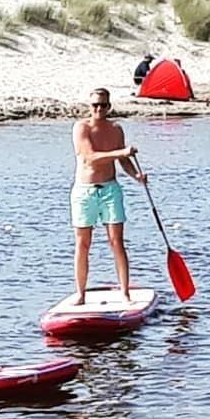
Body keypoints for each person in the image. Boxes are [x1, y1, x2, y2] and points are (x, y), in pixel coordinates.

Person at [71, 87, 147, 305]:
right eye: (95, 104)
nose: (99, 109)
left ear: (109, 107)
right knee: (83, 243)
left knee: (117, 242)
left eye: (103, 105)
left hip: (110, 189)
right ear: (89, 106)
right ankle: (81, 294)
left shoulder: (116, 129)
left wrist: (136, 175)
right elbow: (90, 157)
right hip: (84, 191)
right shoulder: (80, 128)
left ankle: (125, 292)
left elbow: (123, 161)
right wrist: (121, 152)